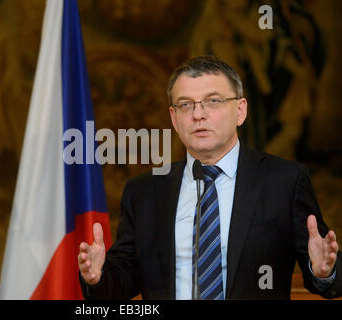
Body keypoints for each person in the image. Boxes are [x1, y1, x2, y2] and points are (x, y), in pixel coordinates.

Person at [77, 56, 341, 299]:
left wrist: (323, 270)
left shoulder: (285, 181)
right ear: (174, 118)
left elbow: (327, 276)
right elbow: (124, 278)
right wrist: (98, 277)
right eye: (185, 104)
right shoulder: (144, 191)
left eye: (213, 101)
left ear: (240, 111)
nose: (198, 114)